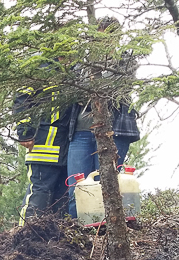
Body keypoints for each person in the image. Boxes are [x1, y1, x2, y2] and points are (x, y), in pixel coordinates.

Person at [65, 16, 141, 219]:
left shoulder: (126, 60)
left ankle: (106, 231)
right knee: (76, 184)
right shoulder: (80, 64)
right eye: (98, 37)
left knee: (108, 184)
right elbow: (73, 91)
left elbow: (116, 88)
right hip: (81, 132)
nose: (102, 42)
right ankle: (77, 230)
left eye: (108, 36)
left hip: (114, 131)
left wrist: (92, 86)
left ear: (117, 37)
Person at [14, 85, 74, 226]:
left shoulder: (76, 70)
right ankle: (25, 233)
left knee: (62, 198)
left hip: (67, 148)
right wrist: (25, 131)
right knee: (40, 193)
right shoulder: (39, 68)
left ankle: (54, 241)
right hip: (42, 143)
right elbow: (21, 98)